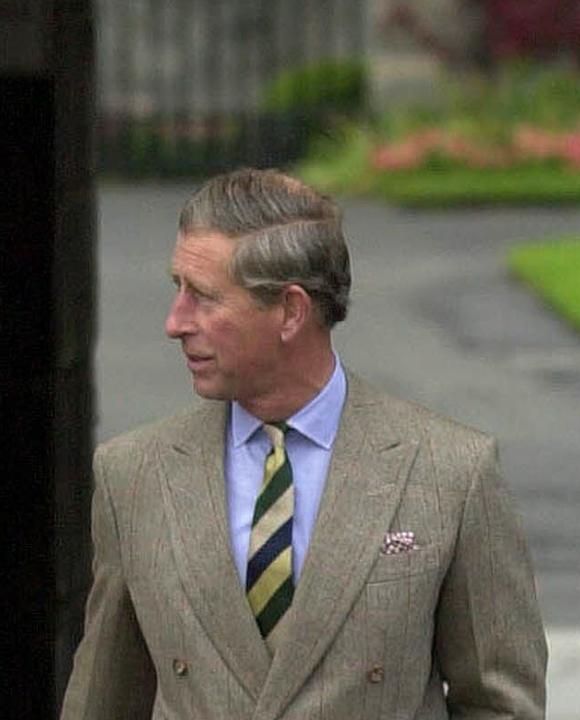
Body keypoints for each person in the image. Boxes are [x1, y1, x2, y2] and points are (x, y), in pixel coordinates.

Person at [61, 169, 547, 719]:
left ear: (291, 311)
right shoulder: (134, 475)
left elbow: (500, 704)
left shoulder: (451, 473)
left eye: (203, 297)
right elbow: (101, 702)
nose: (175, 323)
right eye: (178, 289)